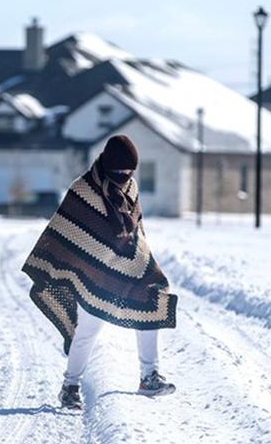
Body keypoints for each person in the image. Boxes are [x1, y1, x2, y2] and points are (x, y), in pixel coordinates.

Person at [21, 135, 177, 410]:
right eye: (121, 171)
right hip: (92, 273)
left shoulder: (131, 187)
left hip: (128, 267)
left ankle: (149, 376)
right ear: (108, 165)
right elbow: (67, 231)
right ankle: (70, 387)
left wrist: (140, 259)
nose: (125, 176)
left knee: (151, 305)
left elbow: (136, 230)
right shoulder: (83, 189)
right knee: (88, 331)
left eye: (130, 171)